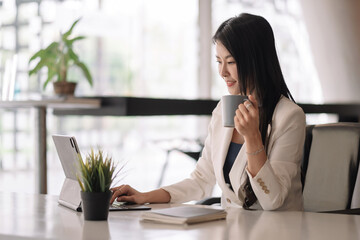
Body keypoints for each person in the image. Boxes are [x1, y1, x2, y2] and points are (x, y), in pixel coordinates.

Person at [110, 13, 306, 211]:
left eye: (230, 62)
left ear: (256, 61)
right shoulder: (223, 110)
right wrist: (145, 196)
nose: (222, 73)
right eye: (219, 62)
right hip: (232, 228)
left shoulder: (289, 117)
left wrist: (253, 137)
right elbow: (202, 180)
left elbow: (272, 200)